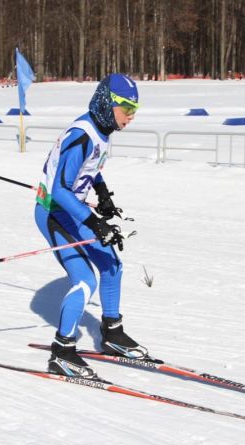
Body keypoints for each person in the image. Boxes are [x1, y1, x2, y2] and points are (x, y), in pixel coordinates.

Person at [34, 73, 148, 378]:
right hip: (55, 213)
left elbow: (91, 167)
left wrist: (102, 193)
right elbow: (59, 190)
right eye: (127, 108)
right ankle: (62, 350)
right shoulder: (81, 135)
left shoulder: (102, 128)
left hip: (75, 209)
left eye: (135, 110)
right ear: (107, 103)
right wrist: (95, 222)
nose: (131, 117)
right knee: (85, 281)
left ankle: (112, 333)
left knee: (112, 264)